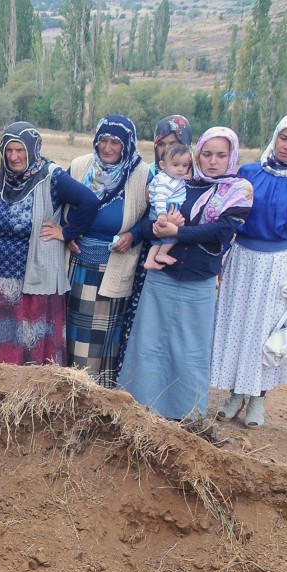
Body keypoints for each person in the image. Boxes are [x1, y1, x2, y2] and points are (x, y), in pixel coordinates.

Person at [119, 127, 253, 421]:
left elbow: (220, 231)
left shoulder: (239, 191)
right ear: (197, 155)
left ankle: (186, 415)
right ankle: (140, 407)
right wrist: (155, 227)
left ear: (231, 156)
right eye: (206, 154)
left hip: (199, 280)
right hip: (163, 277)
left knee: (191, 349)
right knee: (149, 343)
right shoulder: (182, 182)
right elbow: (155, 218)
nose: (213, 161)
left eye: (221, 155)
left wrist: (178, 232)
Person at [0, 122, 98, 366]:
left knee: (29, 357)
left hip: (33, 285)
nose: (14, 157)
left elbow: (89, 201)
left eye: (20, 150)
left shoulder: (51, 176)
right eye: (9, 150)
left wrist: (66, 232)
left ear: (33, 149)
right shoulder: (1, 179)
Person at [211, 116, 287, 428]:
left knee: (265, 332)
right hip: (242, 259)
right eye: (284, 138)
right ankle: (234, 395)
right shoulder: (249, 173)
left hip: (278, 265)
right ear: (274, 138)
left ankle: (258, 398)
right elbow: (230, 216)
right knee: (238, 327)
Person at [64, 114, 151, 387]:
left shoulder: (141, 174)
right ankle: (70, 391)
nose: (108, 147)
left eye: (116, 142)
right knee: (73, 333)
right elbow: (57, 205)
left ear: (127, 144)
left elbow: (156, 215)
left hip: (114, 266)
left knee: (102, 339)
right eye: (103, 140)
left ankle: (96, 396)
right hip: (77, 265)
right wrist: (66, 233)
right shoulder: (80, 167)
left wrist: (133, 234)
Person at [116, 115, 195, 381]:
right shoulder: (147, 173)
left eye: (176, 143)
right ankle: (134, 380)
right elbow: (139, 217)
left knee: (171, 326)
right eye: (163, 144)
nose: (167, 149)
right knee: (141, 320)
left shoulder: (194, 179)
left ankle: (165, 385)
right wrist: (141, 232)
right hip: (149, 253)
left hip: (183, 260)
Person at [144, 144, 193, 270]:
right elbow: (160, 196)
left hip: (164, 210)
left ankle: (150, 260)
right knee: (175, 232)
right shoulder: (164, 180)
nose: (180, 169)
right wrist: (162, 214)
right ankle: (162, 253)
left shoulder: (173, 178)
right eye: (175, 165)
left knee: (157, 240)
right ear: (162, 165)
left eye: (185, 165)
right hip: (165, 209)